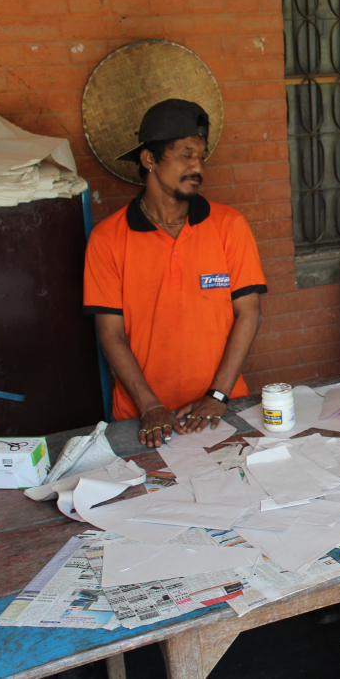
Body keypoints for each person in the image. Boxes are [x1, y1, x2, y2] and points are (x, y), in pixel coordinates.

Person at [83, 99, 266, 448]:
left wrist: (218, 395)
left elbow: (249, 313)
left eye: (201, 155)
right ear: (149, 159)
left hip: (222, 408)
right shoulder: (107, 239)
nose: (197, 166)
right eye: (185, 154)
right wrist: (150, 405)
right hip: (143, 418)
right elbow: (111, 334)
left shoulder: (229, 226)